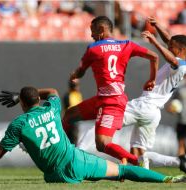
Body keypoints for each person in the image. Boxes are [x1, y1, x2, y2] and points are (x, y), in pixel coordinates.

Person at [0, 86, 186, 183]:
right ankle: (167, 179)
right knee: (123, 171)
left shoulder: (18, 124)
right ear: (37, 100)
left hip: (56, 176)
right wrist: (19, 95)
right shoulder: (51, 108)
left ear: (21, 103)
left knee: (102, 176)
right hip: (76, 160)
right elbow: (53, 92)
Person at [77, 17, 186, 172]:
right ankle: (177, 163)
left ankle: (77, 153)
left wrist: (154, 42)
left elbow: (172, 58)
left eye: (172, 47)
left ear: (181, 50)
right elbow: (170, 40)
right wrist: (158, 26)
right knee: (140, 154)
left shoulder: (181, 65)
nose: (169, 47)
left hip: (143, 105)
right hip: (154, 113)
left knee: (99, 129)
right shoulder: (180, 57)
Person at [62, 15, 159, 166]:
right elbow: (154, 57)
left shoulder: (93, 49)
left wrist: (75, 74)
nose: (92, 35)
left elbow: (80, 72)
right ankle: (63, 155)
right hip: (103, 99)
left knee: (102, 143)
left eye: (93, 31)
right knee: (69, 115)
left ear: (101, 29)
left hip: (111, 103)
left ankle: (137, 161)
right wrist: (152, 79)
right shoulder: (127, 44)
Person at [167, 78, 186, 156]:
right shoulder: (179, 87)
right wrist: (171, 108)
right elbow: (171, 103)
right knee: (181, 144)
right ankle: (181, 165)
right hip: (182, 121)